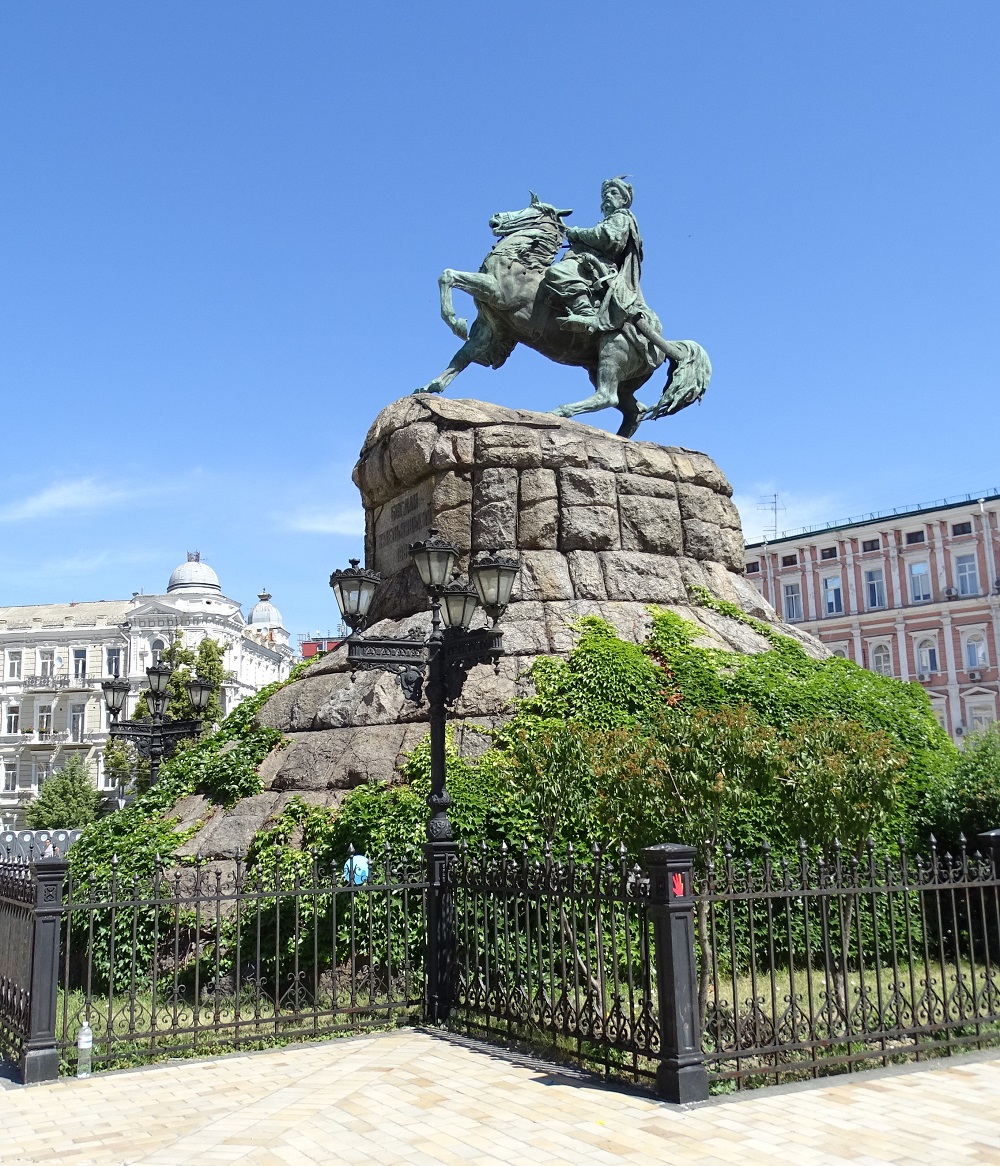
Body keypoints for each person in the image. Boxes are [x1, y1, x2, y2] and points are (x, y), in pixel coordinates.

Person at [544, 176, 646, 334]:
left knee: (558, 272)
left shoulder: (622, 217)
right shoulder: (611, 219)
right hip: (591, 264)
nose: (607, 196)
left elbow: (607, 238)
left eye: (613, 193)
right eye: (605, 194)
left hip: (602, 268)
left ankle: (586, 313)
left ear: (624, 199)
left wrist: (577, 233)